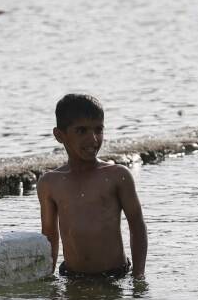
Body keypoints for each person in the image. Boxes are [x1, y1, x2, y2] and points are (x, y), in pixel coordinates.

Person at [37, 94, 148, 280]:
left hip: (114, 276)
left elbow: (137, 226)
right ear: (59, 135)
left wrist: (138, 277)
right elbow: (49, 235)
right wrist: (48, 278)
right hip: (72, 277)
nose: (93, 139)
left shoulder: (117, 176)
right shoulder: (50, 183)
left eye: (98, 130)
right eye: (82, 131)